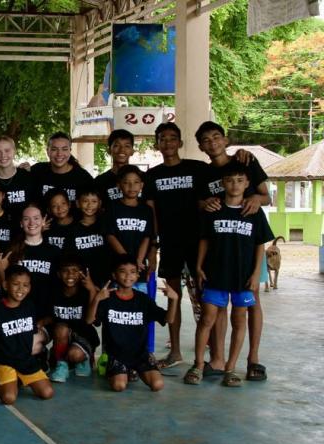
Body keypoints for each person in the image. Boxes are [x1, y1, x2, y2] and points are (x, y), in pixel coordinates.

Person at [185, 163, 274, 387]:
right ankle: (197, 364)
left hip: (243, 278)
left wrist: (256, 274)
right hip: (215, 274)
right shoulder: (213, 209)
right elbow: (205, 239)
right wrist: (198, 266)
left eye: (240, 180)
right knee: (207, 319)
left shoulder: (254, 211)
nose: (235, 184)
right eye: (230, 180)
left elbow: (259, 245)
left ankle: (230, 368)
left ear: (247, 184)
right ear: (223, 183)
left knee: (239, 320)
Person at [143, 122, 208, 369]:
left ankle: (206, 355)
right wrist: (154, 244)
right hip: (170, 244)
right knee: (173, 297)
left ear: (180, 143)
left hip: (197, 243)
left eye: (172, 138)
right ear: (156, 144)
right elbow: (152, 214)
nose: (168, 143)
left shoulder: (197, 169)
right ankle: (176, 352)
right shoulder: (152, 175)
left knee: (204, 298)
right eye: (162, 138)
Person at [86, 254, 179, 392]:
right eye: (122, 271)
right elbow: (89, 320)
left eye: (133, 272)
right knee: (119, 386)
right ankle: (114, 369)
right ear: (114, 275)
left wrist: (174, 299)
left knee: (157, 385)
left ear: (137, 275)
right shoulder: (107, 299)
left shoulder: (143, 300)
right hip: (116, 355)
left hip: (140, 354)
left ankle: (133, 370)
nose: (128, 276)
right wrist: (96, 300)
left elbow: (169, 319)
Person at [0, 265, 54, 405]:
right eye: (16, 284)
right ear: (5, 285)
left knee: (47, 393)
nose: (20, 289)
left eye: (25, 285)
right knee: (9, 398)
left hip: (26, 361)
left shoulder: (29, 306)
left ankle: (18, 379)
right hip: (4, 362)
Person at [45, 255, 100, 383]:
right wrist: (39, 324)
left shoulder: (86, 292)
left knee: (74, 355)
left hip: (84, 335)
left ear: (81, 274)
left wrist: (92, 290)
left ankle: (84, 358)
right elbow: (51, 317)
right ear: (59, 274)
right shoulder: (54, 292)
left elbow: (90, 320)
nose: (70, 274)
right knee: (61, 328)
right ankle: (62, 365)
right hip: (64, 336)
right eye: (65, 270)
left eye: (75, 271)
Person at [103, 165, 155, 292]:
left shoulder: (146, 210)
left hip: (138, 268)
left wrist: (138, 260)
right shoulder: (112, 208)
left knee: (139, 303)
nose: (131, 187)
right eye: (126, 183)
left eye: (136, 182)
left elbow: (147, 237)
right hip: (118, 266)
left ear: (141, 185)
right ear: (119, 185)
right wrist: (128, 260)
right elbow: (110, 235)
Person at [10, 203, 61, 316]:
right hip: (19, 312)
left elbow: (57, 286)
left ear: (43, 221)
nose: (32, 223)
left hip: (45, 312)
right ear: (21, 223)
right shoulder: (12, 250)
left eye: (36, 218)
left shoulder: (54, 251)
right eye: (26, 219)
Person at [29, 132, 93, 204]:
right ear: (48, 151)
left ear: (70, 151)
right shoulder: (37, 171)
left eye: (64, 149)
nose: (59, 153)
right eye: (54, 149)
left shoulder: (83, 178)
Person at [72, 188, 110, 288]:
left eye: (94, 201)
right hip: (82, 279)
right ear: (77, 203)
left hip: (104, 278)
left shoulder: (105, 225)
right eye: (85, 201)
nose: (89, 205)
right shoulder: (72, 229)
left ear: (100, 203)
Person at [94, 129, 136, 208]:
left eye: (127, 146)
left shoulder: (142, 178)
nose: (122, 150)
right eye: (117, 145)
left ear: (132, 151)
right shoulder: (99, 181)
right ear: (109, 150)